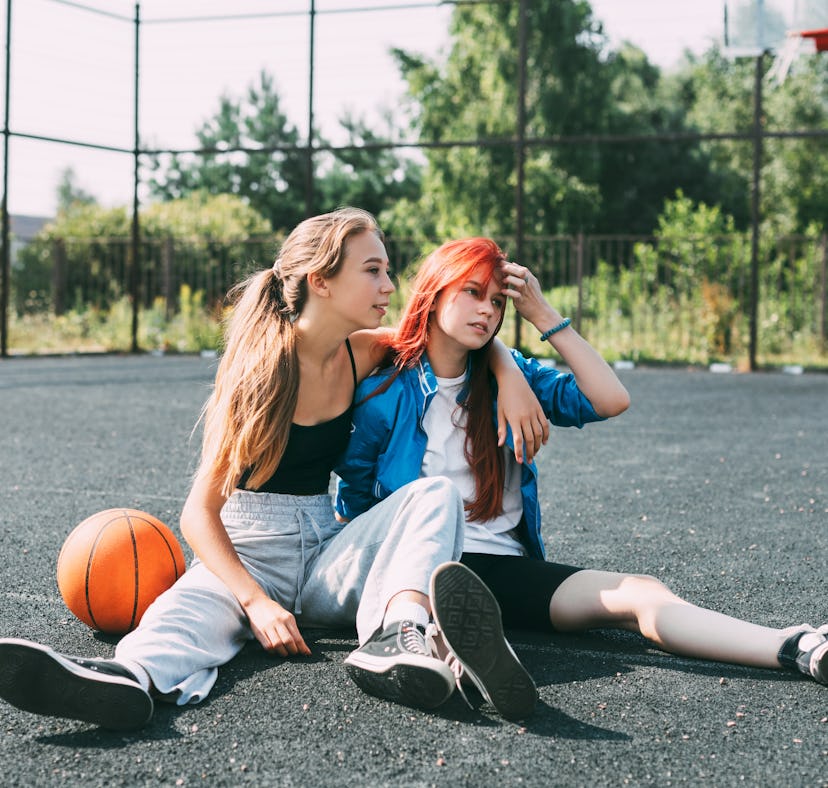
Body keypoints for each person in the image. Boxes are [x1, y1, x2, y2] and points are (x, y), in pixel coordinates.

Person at [0, 209, 550, 730]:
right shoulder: (259, 372)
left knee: (435, 495)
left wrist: (510, 374)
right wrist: (255, 601)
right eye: (373, 270)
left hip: (325, 550)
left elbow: (449, 336)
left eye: (387, 271)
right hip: (251, 552)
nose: (389, 286)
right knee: (184, 614)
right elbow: (198, 514)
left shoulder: (361, 352)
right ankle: (125, 679)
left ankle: (400, 634)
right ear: (321, 281)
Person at [333, 236, 828, 719]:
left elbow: (609, 399)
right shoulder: (384, 395)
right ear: (436, 290)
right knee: (442, 573)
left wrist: (543, 316)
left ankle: (794, 645)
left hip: (502, 572)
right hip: (424, 568)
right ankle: (434, 636)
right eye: (472, 292)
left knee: (640, 594)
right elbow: (357, 505)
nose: (487, 310)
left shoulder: (511, 378)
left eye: (498, 302)